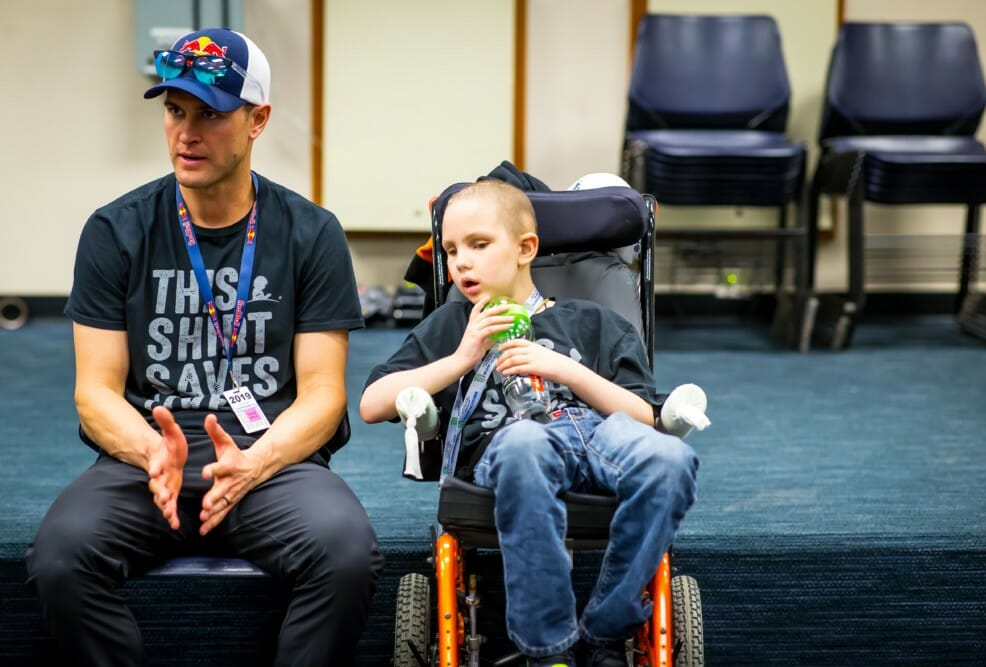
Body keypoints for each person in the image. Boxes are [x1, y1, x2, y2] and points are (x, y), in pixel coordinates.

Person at [26, 28, 383, 666]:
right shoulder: (116, 229)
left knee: (345, 551)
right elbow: (95, 391)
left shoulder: (310, 232)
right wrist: (149, 452)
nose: (186, 133)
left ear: (257, 120)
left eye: (211, 114)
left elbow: (324, 394)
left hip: (270, 456)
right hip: (146, 459)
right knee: (60, 556)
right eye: (174, 111)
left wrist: (258, 460)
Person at [359, 180, 700, 667]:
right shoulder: (453, 325)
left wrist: (564, 368)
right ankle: (550, 649)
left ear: (526, 249)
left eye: (479, 245)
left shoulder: (594, 322)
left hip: (599, 431)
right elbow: (372, 403)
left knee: (671, 458)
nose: (462, 262)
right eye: (452, 250)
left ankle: (606, 628)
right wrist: (462, 356)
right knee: (525, 443)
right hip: (512, 443)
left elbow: (644, 416)